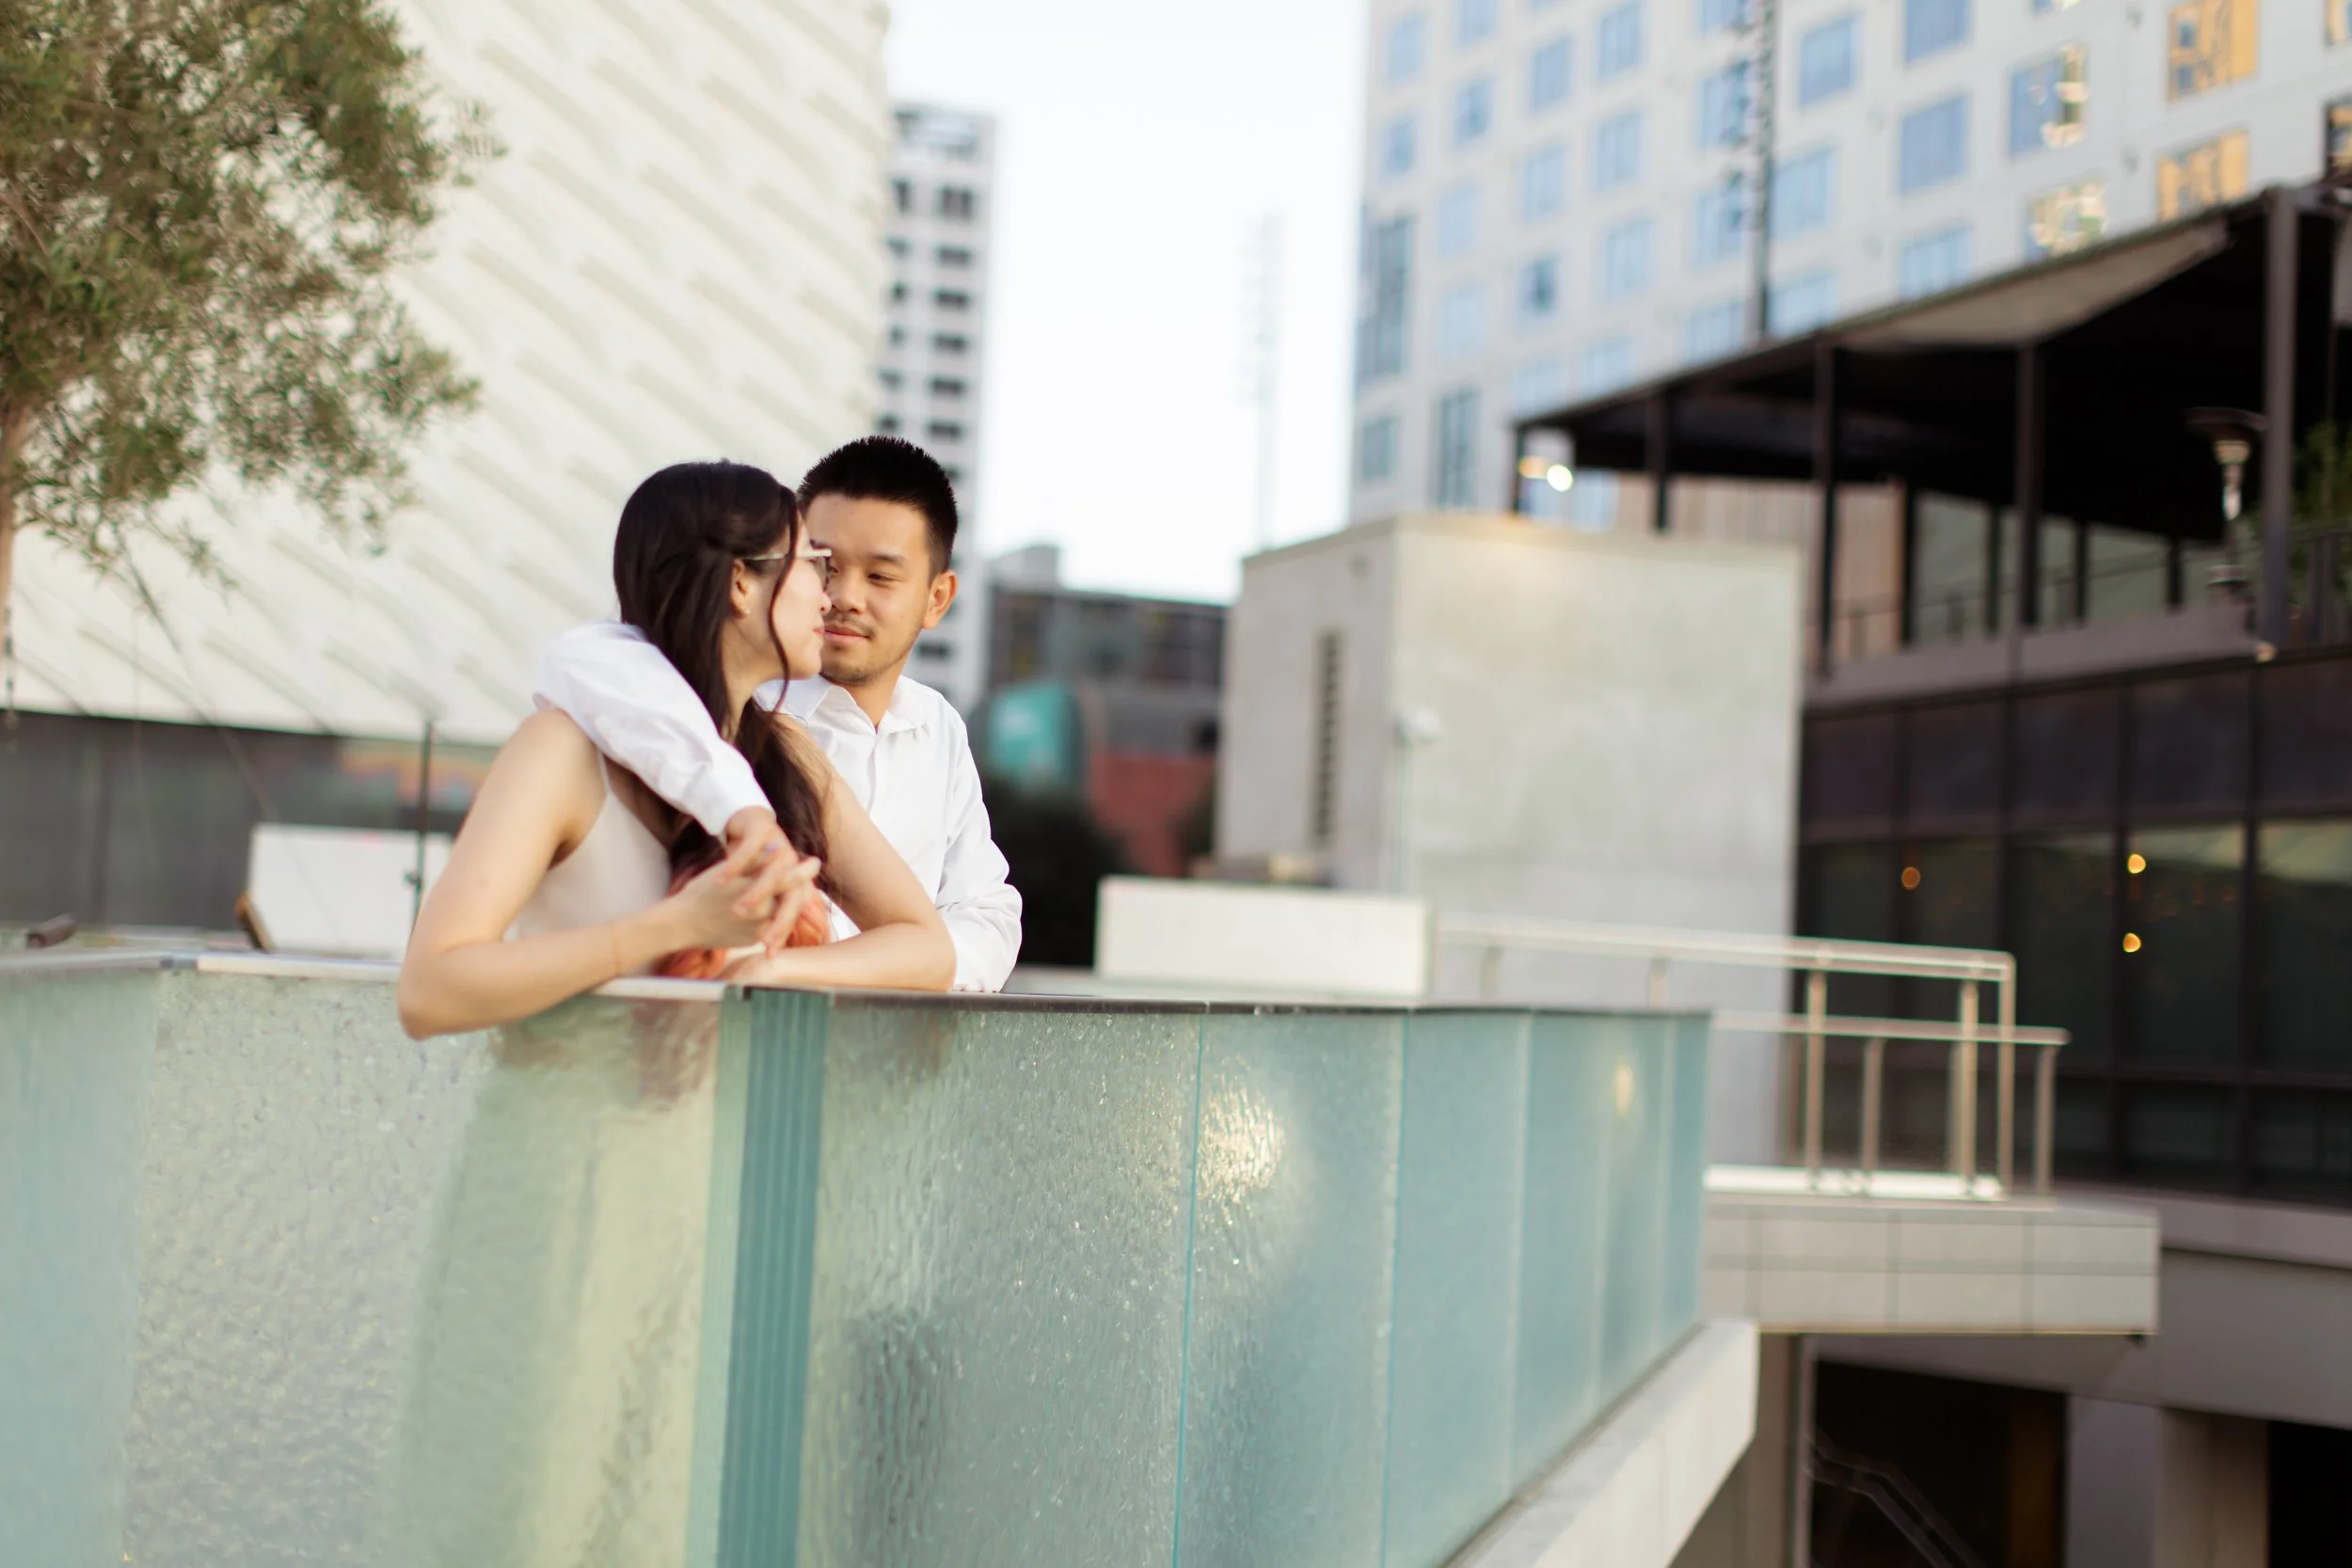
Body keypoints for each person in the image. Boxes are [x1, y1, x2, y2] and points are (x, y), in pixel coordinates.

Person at [397, 460, 956, 1038]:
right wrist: (676, 928)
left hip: (727, 1130)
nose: (829, 598)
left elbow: (928, 950)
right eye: (815, 566)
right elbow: (429, 991)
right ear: (741, 583)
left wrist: (768, 970)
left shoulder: (786, 757)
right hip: (558, 1127)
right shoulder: (563, 751)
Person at [532, 436, 1022, 991]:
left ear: (938, 598)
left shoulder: (937, 729)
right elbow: (589, 656)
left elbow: (986, 914)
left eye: (880, 576)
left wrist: (876, 973)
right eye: (820, 565)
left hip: (865, 1057)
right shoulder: (710, 714)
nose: (840, 596)